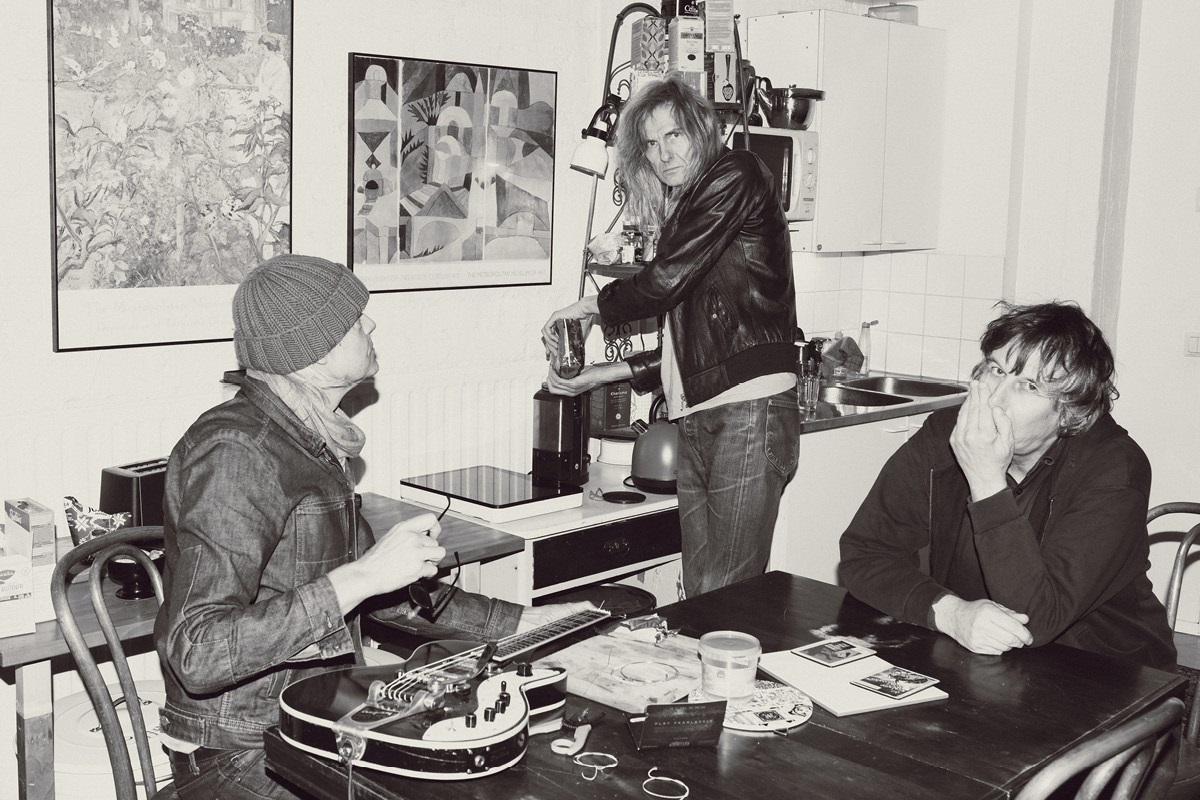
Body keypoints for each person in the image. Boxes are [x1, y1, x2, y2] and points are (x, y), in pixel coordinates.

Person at [154, 254, 586, 799]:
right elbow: (198, 652)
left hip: (314, 719)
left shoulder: (309, 438)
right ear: (313, 353)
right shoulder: (239, 452)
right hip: (241, 751)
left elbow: (388, 599)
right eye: (355, 320)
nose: (371, 324)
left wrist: (526, 622)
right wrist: (360, 577)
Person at [541, 76, 800, 599]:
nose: (663, 154)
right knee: (700, 593)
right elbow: (695, 343)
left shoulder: (736, 173)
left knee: (727, 596)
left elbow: (663, 283)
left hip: (747, 411)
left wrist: (590, 305)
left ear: (701, 129)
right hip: (703, 413)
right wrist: (599, 375)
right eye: (651, 144)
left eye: (674, 135)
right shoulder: (690, 208)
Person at [839, 301, 1176, 669]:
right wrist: (950, 613)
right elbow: (865, 553)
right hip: (981, 660)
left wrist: (985, 479)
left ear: (1068, 412)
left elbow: (1037, 618)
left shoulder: (1115, 470)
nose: (996, 398)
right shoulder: (944, 434)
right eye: (997, 370)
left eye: (1029, 386)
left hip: (1105, 669)